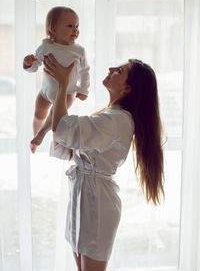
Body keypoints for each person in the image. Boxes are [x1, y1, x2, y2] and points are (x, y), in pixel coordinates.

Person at [44, 54, 164, 271]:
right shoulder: (112, 115)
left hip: (97, 204)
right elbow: (70, 142)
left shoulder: (117, 120)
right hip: (85, 197)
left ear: (128, 89)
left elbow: (65, 130)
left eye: (119, 70)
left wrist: (63, 85)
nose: (111, 68)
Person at [23, 6, 90, 153]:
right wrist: (28, 63)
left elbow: (85, 71)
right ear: (53, 29)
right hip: (45, 91)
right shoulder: (46, 46)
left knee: (55, 118)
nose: (76, 30)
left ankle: (42, 134)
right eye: (70, 26)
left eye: (77, 26)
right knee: (38, 113)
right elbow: (35, 65)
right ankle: (35, 136)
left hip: (67, 93)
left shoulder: (79, 50)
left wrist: (84, 89)